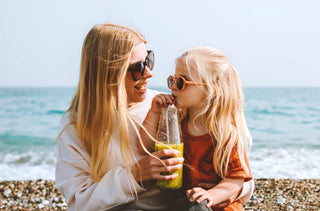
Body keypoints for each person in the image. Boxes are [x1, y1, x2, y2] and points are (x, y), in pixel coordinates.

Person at [55, 23, 185, 211]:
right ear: (108, 74)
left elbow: (235, 175)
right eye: (138, 68)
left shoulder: (163, 107)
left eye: (149, 60)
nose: (149, 73)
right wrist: (134, 174)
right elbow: (78, 200)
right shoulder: (77, 124)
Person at [140, 46, 254, 210]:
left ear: (211, 90)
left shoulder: (225, 134)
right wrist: (154, 112)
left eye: (181, 82)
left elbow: (235, 180)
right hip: (182, 202)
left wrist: (211, 195)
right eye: (173, 80)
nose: (173, 87)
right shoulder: (175, 121)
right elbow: (144, 148)